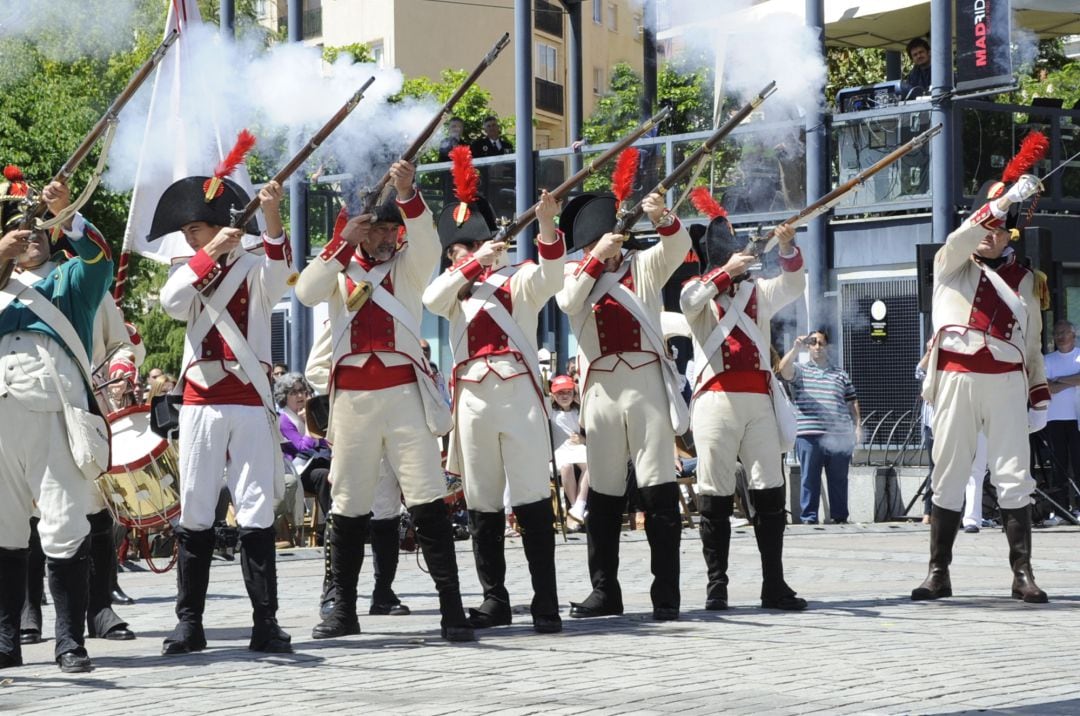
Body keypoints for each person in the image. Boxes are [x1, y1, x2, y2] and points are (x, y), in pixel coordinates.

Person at [295, 160, 474, 643]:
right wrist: (338, 244)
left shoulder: (411, 266)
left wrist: (406, 190)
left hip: (403, 397)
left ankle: (452, 608)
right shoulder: (338, 268)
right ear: (360, 232)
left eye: (390, 228)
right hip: (352, 399)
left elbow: (427, 237)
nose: (385, 237)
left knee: (427, 502)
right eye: (375, 228)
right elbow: (308, 291)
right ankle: (342, 608)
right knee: (349, 505)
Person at [152, 146, 295, 654]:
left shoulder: (255, 263)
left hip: (251, 398)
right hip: (200, 401)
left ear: (218, 223)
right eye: (188, 232)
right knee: (195, 509)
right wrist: (208, 253)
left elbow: (280, 276)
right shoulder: (189, 267)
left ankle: (266, 622)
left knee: (256, 509)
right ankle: (189, 622)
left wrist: (271, 213)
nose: (189, 238)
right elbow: (172, 304)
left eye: (196, 229)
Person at [422, 146, 566, 634]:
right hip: (472, 399)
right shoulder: (452, 287)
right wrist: (469, 266)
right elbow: (432, 297)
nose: (459, 254)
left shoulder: (517, 278)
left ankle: (545, 601)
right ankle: (494, 598)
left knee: (528, 496)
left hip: (517, 393)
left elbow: (551, 276)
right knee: (482, 501)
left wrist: (546, 227)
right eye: (455, 250)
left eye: (468, 246)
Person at [555, 180, 690, 621]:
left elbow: (677, 249)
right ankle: (604, 590)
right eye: (595, 243)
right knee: (605, 496)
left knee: (659, 493)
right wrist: (595, 259)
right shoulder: (577, 276)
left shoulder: (642, 266)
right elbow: (568, 301)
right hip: (600, 391)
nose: (606, 249)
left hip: (645, 384)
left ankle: (666, 595)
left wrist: (662, 217)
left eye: (607, 241)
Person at [914, 169, 1049, 603]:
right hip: (957, 376)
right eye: (986, 224)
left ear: (1011, 235)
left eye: (999, 228)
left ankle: (1022, 574)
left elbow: (1032, 344)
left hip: (1008, 381)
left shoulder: (1029, 280)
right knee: (949, 474)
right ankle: (938, 572)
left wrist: (1039, 391)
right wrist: (1003, 200)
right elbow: (960, 240)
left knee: (1014, 477)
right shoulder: (950, 263)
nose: (991, 234)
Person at [0, 175, 113, 673]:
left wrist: (66, 214)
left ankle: (69, 641)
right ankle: (7, 638)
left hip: (53, 416)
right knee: (4, 530)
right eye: (21, 229)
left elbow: (99, 261)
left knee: (65, 526)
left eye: (40, 228)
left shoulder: (68, 279)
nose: (33, 234)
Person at [680, 190, 807, 612]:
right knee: (713, 492)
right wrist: (723, 275)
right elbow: (689, 301)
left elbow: (794, 284)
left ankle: (775, 583)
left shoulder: (759, 292)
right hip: (715, 398)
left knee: (769, 490)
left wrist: (787, 246)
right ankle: (717, 586)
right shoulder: (699, 290)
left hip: (758, 400)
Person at [303, 323, 413, 618]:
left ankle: (383, 591)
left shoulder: (401, 305)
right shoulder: (342, 315)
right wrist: (357, 382)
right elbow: (315, 368)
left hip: (397, 421)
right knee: (343, 509)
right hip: (356, 417)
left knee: (387, 510)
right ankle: (334, 590)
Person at [778, 330, 860, 525]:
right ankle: (809, 519)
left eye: (821, 343)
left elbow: (852, 401)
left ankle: (840, 517)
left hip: (839, 434)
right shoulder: (801, 370)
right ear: (808, 346)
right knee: (809, 478)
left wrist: (857, 426)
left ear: (827, 347)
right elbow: (782, 370)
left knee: (839, 479)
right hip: (809, 434)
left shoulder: (840, 374)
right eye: (813, 343)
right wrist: (795, 349)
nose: (817, 347)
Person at [1042, 320, 1080, 511]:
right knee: (1059, 466)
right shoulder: (1048, 360)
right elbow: (1048, 387)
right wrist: (1073, 380)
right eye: (1057, 333)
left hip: (1077, 419)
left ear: (1073, 334)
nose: (1060, 336)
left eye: (1064, 332)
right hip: (1054, 418)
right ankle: (1061, 510)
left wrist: (1060, 380)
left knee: (1078, 463)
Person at [550, 375, 589, 525]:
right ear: (554, 395)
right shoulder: (550, 412)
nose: (564, 396)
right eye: (560, 392)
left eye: (568, 392)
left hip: (577, 447)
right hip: (559, 450)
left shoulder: (579, 412)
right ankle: (575, 507)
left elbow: (589, 434)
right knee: (566, 467)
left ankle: (579, 504)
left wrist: (583, 439)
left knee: (590, 465)